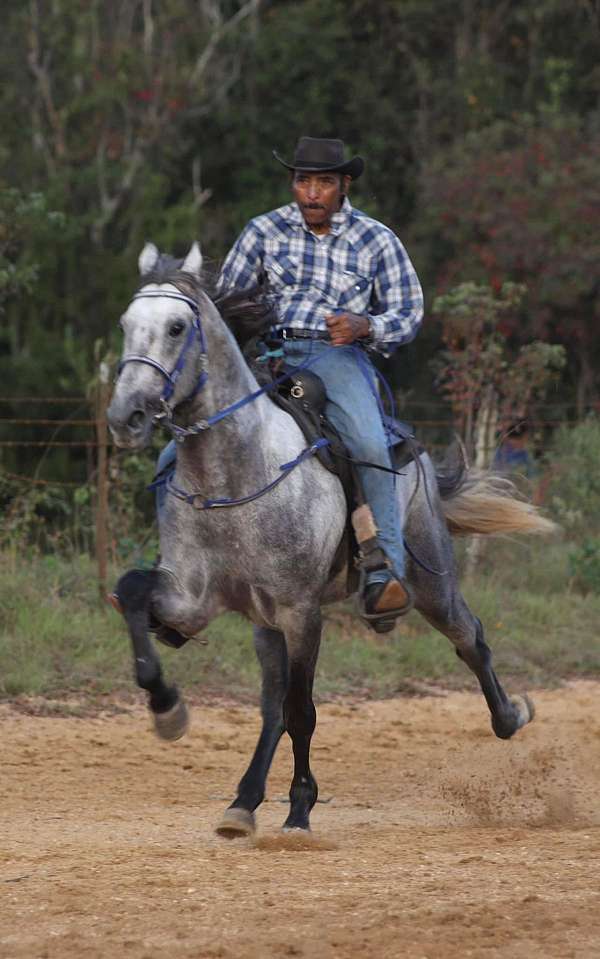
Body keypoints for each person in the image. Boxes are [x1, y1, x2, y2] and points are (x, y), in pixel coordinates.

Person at [215, 136, 424, 622]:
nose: (311, 193)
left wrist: (366, 325)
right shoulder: (261, 231)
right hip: (266, 355)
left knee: (370, 444)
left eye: (323, 183)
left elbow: (409, 310)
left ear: (344, 185)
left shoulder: (377, 239)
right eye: (302, 181)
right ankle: (171, 568)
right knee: (191, 437)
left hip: (336, 355)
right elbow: (227, 300)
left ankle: (382, 573)